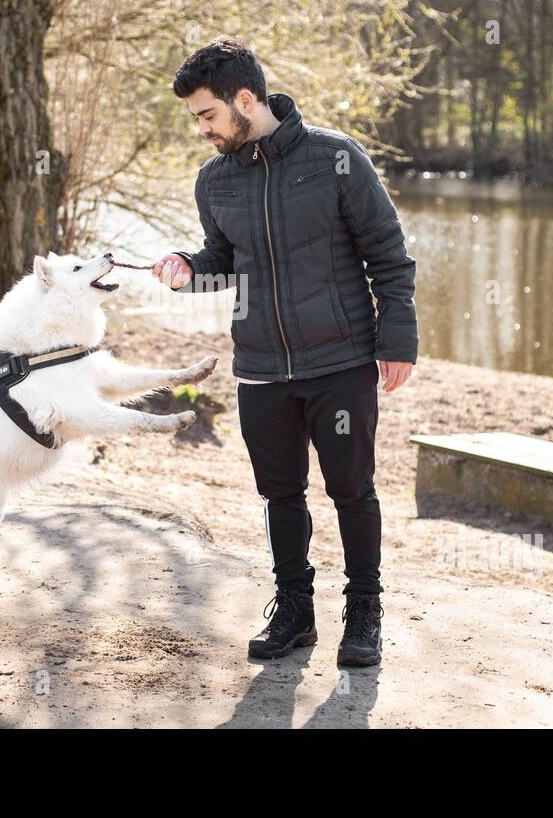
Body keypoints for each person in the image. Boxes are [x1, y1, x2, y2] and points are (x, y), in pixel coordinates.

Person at [151, 37, 419, 667]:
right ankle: (295, 611)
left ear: (246, 99)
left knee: (352, 491)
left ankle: (364, 615)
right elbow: (225, 262)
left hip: (341, 360)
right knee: (279, 494)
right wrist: (189, 268)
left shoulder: (336, 158)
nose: (202, 130)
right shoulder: (214, 181)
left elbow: (389, 256)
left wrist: (397, 340)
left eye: (207, 115)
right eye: (196, 119)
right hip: (263, 368)